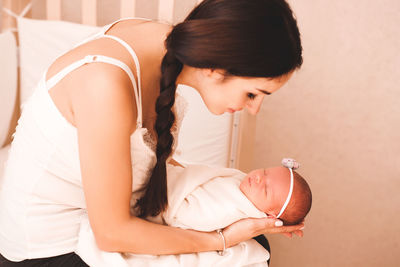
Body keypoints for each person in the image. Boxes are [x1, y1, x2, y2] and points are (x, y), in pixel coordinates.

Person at [0, 0, 305, 265]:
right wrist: (221, 238)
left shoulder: (158, 45)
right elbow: (111, 233)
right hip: (47, 250)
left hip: (94, 230)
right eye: (253, 94)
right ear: (216, 68)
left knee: (256, 247)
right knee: (243, 253)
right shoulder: (105, 85)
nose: (254, 109)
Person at [75, 159, 312, 266]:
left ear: (269, 216)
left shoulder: (234, 206)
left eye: (267, 189)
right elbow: (197, 172)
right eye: (265, 172)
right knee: (261, 249)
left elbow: (193, 217)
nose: (259, 178)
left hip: (169, 205)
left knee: (261, 249)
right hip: (149, 187)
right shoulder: (242, 183)